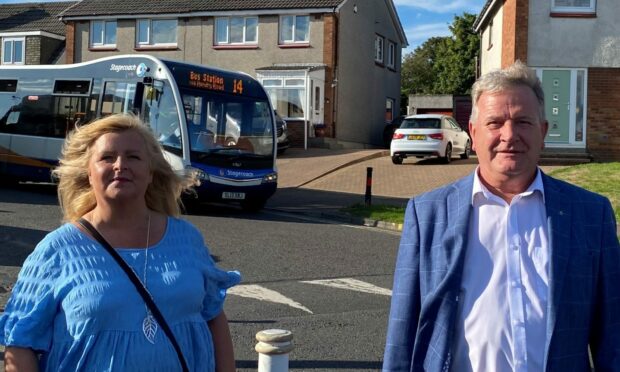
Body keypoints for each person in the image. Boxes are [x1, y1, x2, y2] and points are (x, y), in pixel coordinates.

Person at [382, 61, 620, 371]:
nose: (509, 135)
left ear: (543, 131)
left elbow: (613, 337)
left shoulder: (591, 213)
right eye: (495, 122)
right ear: (473, 132)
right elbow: (402, 333)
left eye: (523, 122)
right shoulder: (426, 214)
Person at [0, 114, 241, 371]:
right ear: (89, 174)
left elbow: (213, 316)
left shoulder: (187, 239)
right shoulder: (57, 250)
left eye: (133, 157)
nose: (120, 165)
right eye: (107, 157)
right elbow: (19, 344)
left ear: (150, 173)